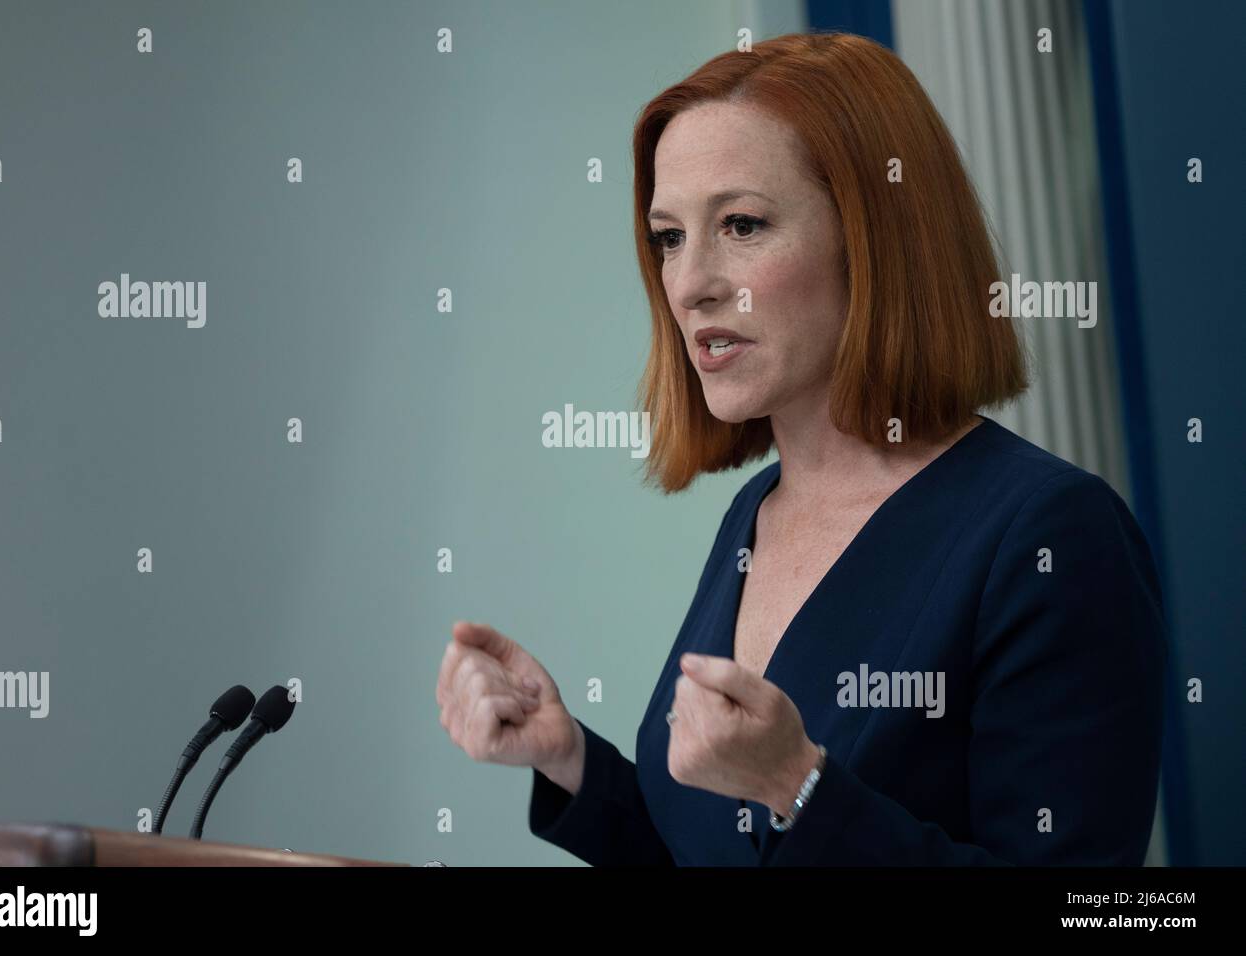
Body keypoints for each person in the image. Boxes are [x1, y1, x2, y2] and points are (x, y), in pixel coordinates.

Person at [434, 32, 1165, 865]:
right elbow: (724, 852)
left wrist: (801, 791)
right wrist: (567, 760)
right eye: (669, 236)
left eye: (741, 224)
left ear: (876, 238)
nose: (690, 282)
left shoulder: (1051, 532)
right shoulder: (758, 512)